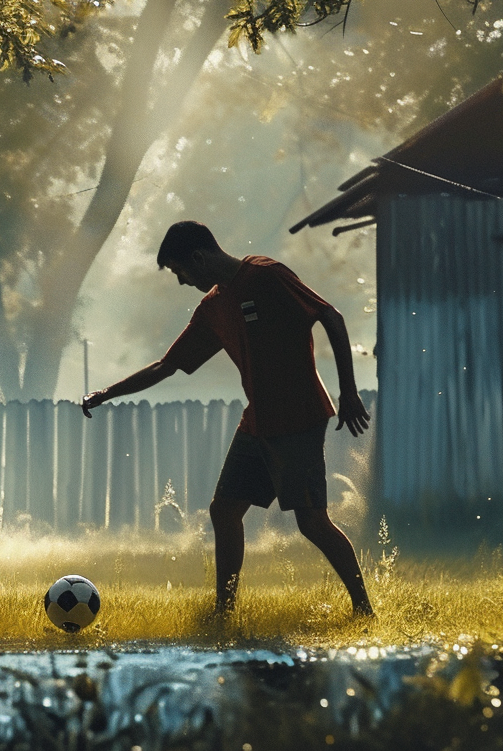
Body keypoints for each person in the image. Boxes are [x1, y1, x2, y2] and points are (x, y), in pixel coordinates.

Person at [82, 221, 373, 617]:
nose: (182, 283)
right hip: (258, 422)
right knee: (224, 509)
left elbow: (331, 316)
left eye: (179, 272)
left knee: (312, 522)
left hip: (297, 417)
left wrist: (349, 391)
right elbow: (167, 365)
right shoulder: (214, 307)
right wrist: (107, 393)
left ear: (198, 258)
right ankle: (225, 612)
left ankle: (363, 610)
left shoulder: (267, 276)